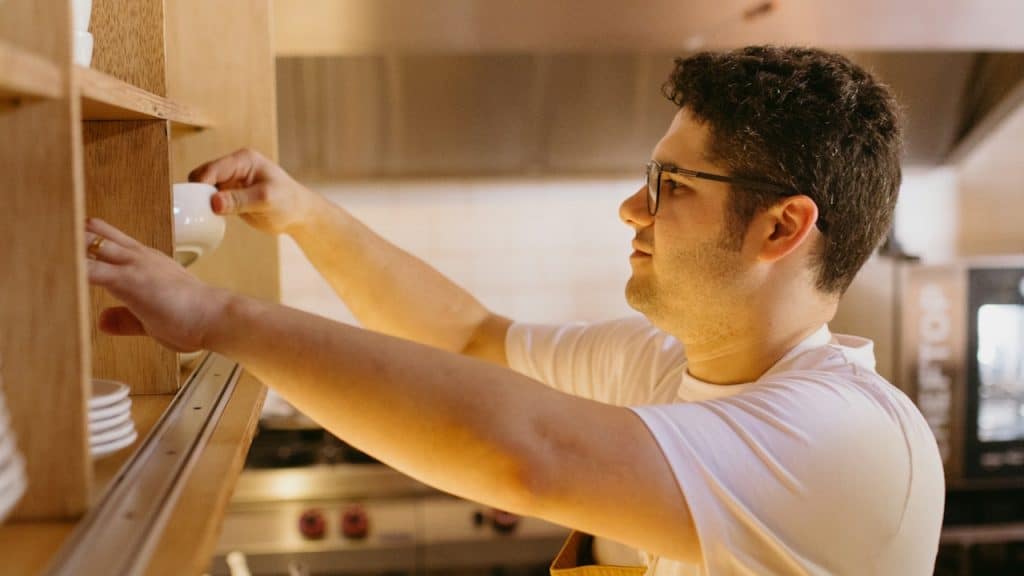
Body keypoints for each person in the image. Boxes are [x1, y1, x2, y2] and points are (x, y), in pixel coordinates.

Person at [84, 46, 944, 575]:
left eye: (670, 186)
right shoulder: (662, 366)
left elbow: (525, 457)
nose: (631, 211)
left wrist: (216, 315)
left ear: (782, 227)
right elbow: (466, 339)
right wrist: (304, 213)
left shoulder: (848, 436)